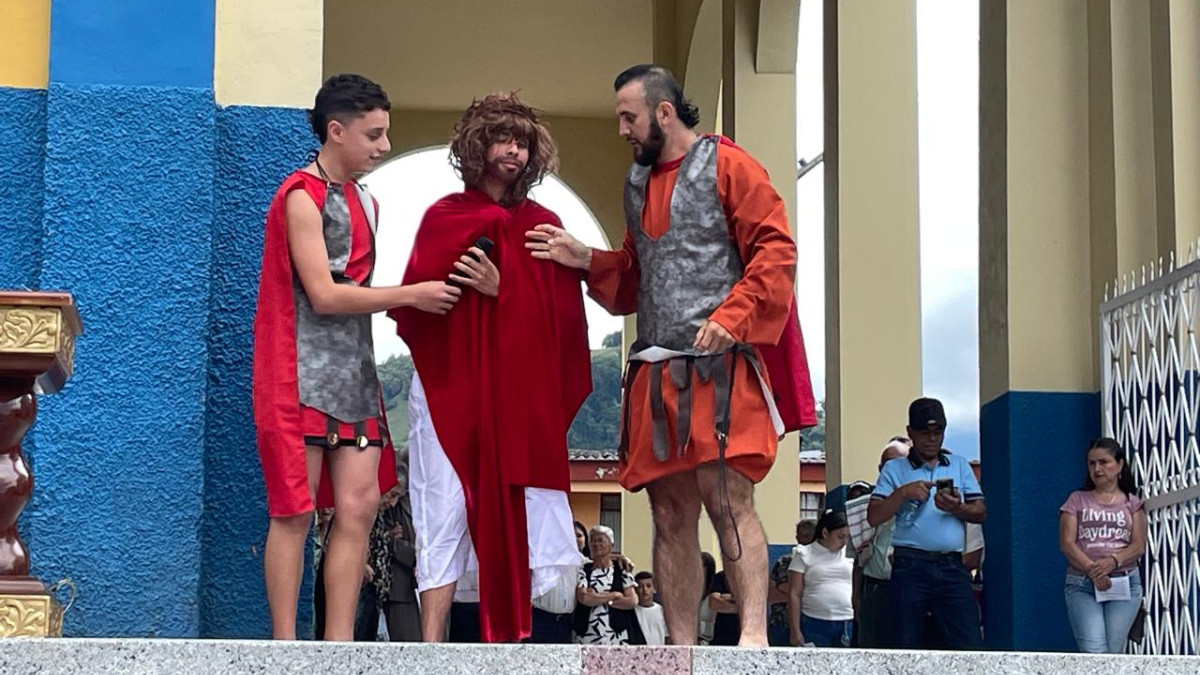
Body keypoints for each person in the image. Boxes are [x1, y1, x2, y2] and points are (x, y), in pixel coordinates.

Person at [526, 63, 816, 647]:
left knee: (728, 501)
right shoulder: (636, 183)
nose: (621, 130)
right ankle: (679, 648)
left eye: (628, 117)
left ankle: (752, 638)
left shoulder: (729, 164)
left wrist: (732, 318)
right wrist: (586, 259)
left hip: (722, 368)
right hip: (657, 368)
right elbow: (639, 276)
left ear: (663, 112)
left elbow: (776, 251)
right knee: (669, 514)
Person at [253, 74, 461, 641]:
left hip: (357, 376)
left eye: (385, 134)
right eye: (373, 135)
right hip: (298, 374)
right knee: (295, 512)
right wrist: (411, 294)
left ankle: (338, 644)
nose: (383, 146)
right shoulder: (300, 195)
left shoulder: (368, 200)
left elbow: (354, 292)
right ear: (336, 130)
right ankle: (285, 646)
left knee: (360, 509)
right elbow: (324, 294)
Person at [391, 93, 592, 643]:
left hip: (515, 396)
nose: (514, 151)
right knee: (442, 503)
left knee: (517, 506)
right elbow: (420, 306)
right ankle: (431, 645)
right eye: (502, 139)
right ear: (477, 147)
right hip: (451, 385)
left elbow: (564, 325)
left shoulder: (544, 227)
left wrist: (503, 289)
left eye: (523, 143)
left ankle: (513, 639)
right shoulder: (444, 217)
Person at [867, 398, 985, 649]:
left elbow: (981, 512)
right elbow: (874, 516)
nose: (932, 439)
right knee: (904, 644)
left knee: (968, 644)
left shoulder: (959, 465)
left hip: (952, 566)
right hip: (910, 564)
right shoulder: (893, 469)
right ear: (910, 432)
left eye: (938, 432)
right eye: (924, 432)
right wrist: (903, 493)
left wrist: (957, 507)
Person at [1059, 438, 1146, 654]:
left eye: (1104, 462)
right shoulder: (1076, 499)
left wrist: (1113, 562)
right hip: (1082, 583)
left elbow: (1138, 545)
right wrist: (1093, 570)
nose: (1097, 469)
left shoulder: (1132, 503)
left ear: (1120, 465)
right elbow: (1067, 543)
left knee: (1112, 653)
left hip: (1123, 582)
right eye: (1092, 463)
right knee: (1094, 651)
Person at [849, 437, 911, 648]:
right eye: (887, 464)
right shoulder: (862, 507)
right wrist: (856, 597)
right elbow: (858, 561)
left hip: (911, 589)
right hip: (875, 590)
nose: (892, 469)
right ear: (880, 468)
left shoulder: (922, 500)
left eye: (900, 463)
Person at [788, 509, 854, 647]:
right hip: (814, 621)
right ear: (825, 533)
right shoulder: (804, 554)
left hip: (846, 621)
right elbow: (794, 594)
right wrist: (795, 630)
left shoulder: (849, 554)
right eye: (840, 537)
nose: (844, 542)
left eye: (847, 537)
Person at [574, 526, 638, 644]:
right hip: (587, 635)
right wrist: (614, 595)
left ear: (611, 546)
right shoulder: (584, 569)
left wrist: (598, 598)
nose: (596, 544)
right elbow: (584, 598)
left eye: (600, 540)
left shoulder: (620, 569)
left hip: (616, 636)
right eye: (593, 541)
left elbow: (632, 601)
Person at [632, 571, 669, 645]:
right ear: (635, 590)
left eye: (648, 586)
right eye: (640, 586)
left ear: (654, 589)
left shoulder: (663, 611)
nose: (645, 590)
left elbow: (667, 638)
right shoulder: (631, 612)